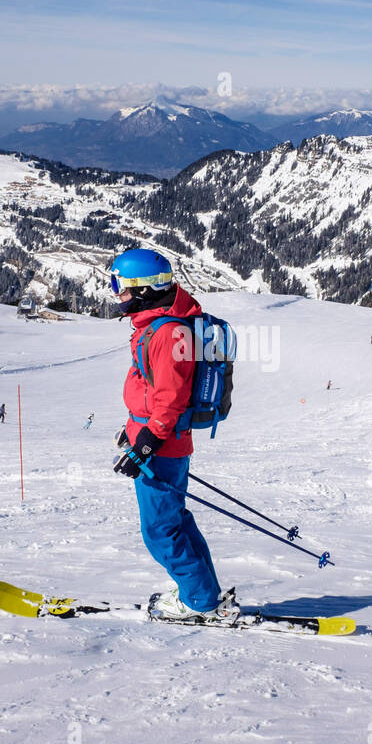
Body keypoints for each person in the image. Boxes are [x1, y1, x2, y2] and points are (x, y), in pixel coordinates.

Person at [108, 248, 237, 622]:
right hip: (161, 440)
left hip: (162, 447)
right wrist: (133, 429)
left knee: (161, 530)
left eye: (120, 286)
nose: (117, 294)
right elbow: (153, 393)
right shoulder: (160, 324)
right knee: (175, 521)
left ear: (144, 290)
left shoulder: (167, 332)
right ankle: (204, 591)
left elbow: (171, 399)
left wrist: (147, 443)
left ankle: (199, 600)